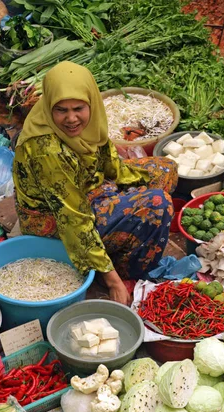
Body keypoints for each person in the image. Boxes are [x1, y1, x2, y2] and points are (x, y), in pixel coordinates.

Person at [13, 61, 178, 305]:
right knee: (157, 203)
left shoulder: (89, 122)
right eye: (61, 110)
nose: (71, 119)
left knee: (166, 168)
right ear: (49, 107)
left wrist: (130, 180)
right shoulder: (46, 150)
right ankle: (123, 273)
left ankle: (120, 242)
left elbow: (108, 159)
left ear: (91, 101)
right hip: (53, 221)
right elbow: (73, 219)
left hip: (88, 186)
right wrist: (112, 280)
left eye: (78, 108)